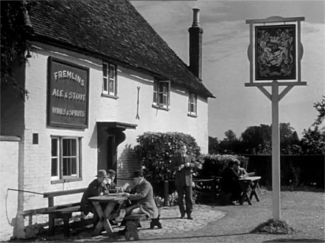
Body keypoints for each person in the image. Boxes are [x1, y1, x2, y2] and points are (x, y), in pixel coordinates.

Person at [174, 145, 201, 220]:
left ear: (186, 150)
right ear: (180, 150)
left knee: (189, 198)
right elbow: (173, 167)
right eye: (181, 149)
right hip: (179, 181)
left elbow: (196, 165)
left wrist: (190, 164)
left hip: (188, 180)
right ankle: (182, 213)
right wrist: (179, 167)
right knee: (180, 199)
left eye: (184, 149)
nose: (183, 150)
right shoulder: (176, 158)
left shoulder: (190, 157)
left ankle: (189, 214)